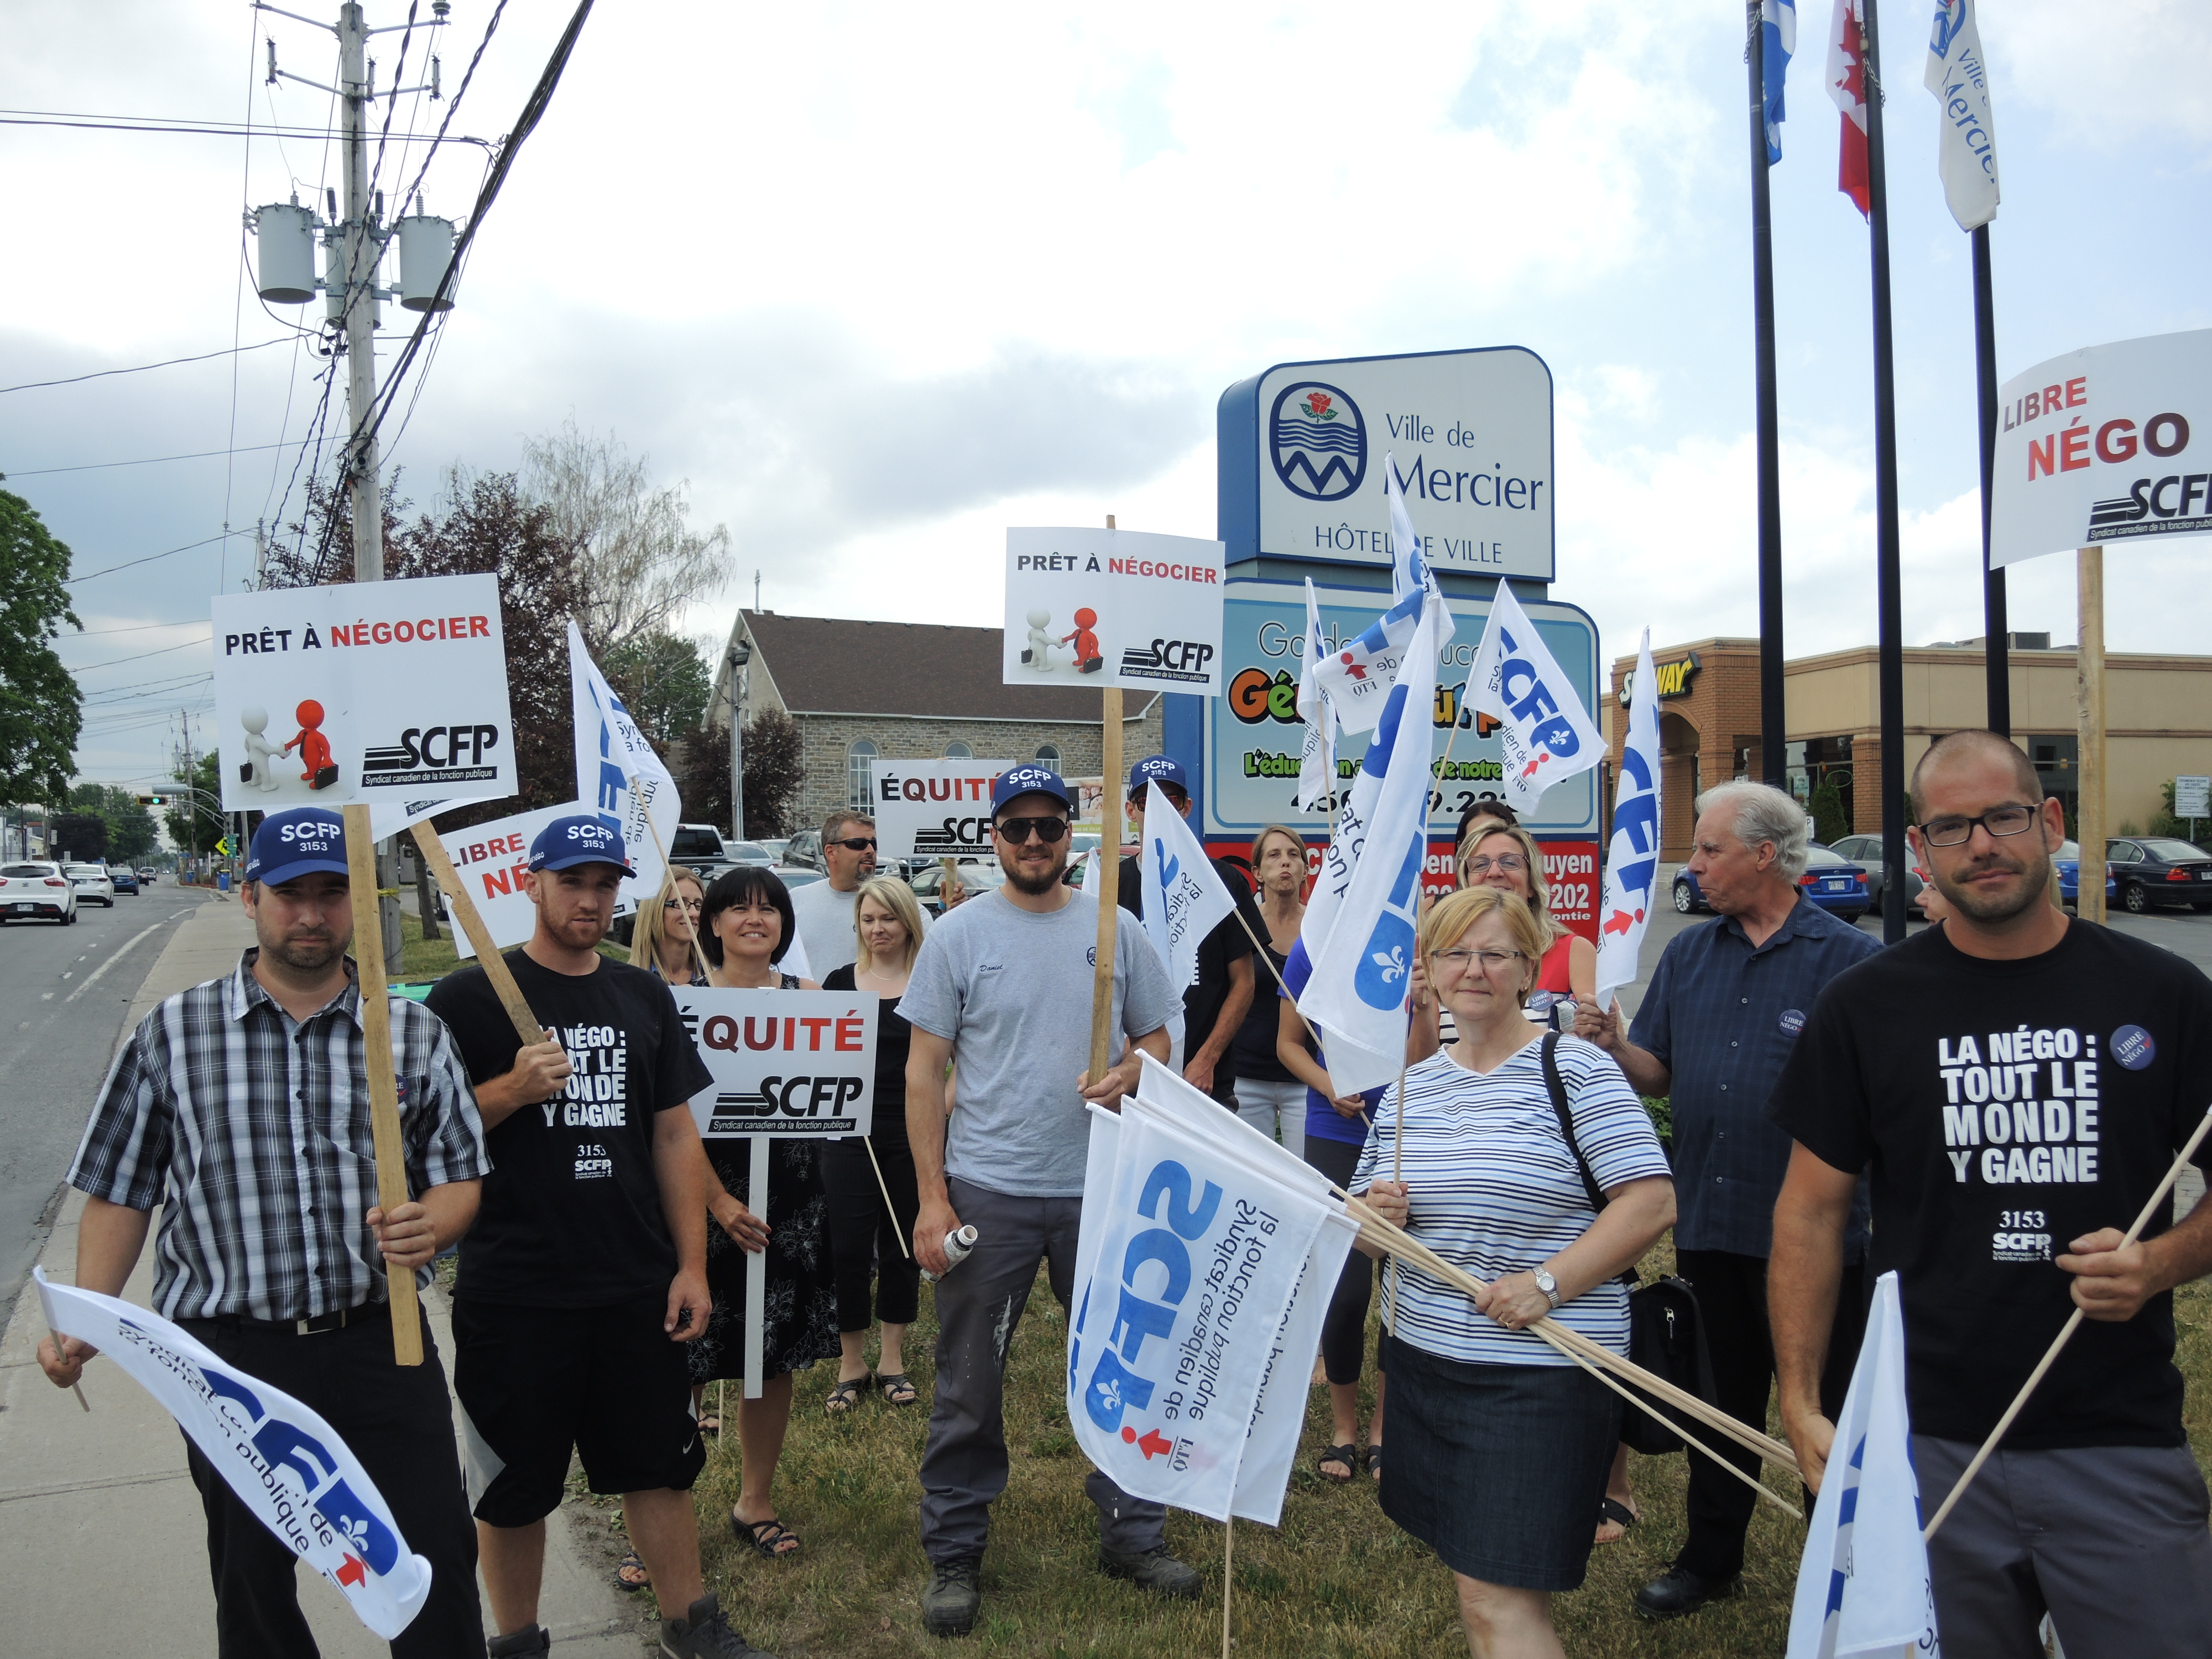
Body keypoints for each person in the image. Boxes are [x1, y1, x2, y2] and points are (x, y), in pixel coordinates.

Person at [1768, 730, 2212, 1656]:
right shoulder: (1867, 1007)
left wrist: (2158, 1263)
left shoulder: (2164, 994)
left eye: (2004, 817)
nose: (1983, 844)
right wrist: (1805, 1402)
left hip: (2114, 1434)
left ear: (2050, 823)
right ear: (1923, 850)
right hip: (1922, 1437)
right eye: (1952, 826)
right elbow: (1810, 1212)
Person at [39, 808, 491, 1659]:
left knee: (429, 1559)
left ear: (356, 903)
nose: (312, 914)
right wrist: (85, 1317)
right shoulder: (174, 1035)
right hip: (230, 1363)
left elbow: (462, 1176)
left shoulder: (410, 1032)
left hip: (381, 1343)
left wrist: (432, 1223)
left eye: (330, 894)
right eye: (290, 895)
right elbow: (119, 1190)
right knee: (252, 1578)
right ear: (247, 896)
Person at [424, 814, 769, 1659]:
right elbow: (421, 1135)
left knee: (657, 1466)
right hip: (515, 1287)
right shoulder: (467, 997)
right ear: (531, 883)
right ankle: (516, 1642)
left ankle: (694, 1628)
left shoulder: (640, 995)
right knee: (512, 1489)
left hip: (632, 1282)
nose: (589, 899)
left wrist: (692, 1264)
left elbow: (675, 1137)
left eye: (604, 884)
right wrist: (508, 1089)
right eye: (572, 881)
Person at [1572, 779, 1879, 1619]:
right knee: (1717, 1405)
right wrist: (1614, 1048)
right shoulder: (1691, 955)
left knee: (1830, 1409)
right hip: (1711, 1224)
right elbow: (1659, 1072)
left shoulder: (1850, 965)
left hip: (1822, 1242)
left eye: (1710, 849)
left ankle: (1841, 1575)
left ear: (1766, 855)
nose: (1695, 865)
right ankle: (1711, 1561)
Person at [899, 764, 1187, 1637]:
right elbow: (922, 1072)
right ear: (994, 837)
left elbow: (1160, 1039)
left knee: (1123, 1369)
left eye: (1049, 827)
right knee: (969, 1381)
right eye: (1017, 828)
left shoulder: (1118, 928)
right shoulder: (958, 935)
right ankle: (955, 1551)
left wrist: (1139, 1070)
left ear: (1072, 836)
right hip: (992, 1189)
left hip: (1103, 1188)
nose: (1033, 842)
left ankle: (1133, 1533)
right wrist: (931, 1199)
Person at [1355, 884, 1674, 1657]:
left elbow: (1651, 1202)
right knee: (1478, 1584)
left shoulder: (1576, 1071)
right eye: (1454, 953)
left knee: (1495, 1598)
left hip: (1540, 1378)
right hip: (1427, 1368)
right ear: (1428, 967)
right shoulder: (1410, 1088)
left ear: (1529, 967)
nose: (1474, 970)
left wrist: (1549, 1284)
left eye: (1494, 953)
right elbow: (1363, 1232)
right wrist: (1376, 1217)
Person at [688, 865, 841, 1557]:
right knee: (682, 1352)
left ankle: (755, 1499)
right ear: (712, 922)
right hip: (695, 1194)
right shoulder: (677, 1004)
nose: (757, 919)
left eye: (770, 909)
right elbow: (663, 1123)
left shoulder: (812, 999)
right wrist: (715, 1201)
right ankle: (662, 1508)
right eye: (739, 908)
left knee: (769, 1352)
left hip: (789, 1198)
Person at [818, 875, 926, 1412]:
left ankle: (892, 1359)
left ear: (908, 921)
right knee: (848, 1250)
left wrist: (940, 1107)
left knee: (903, 1246)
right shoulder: (838, 983)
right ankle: (850, 1361)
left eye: (887, 917)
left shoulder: (931, 980)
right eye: (868, 919)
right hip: (847, 1136)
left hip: (910, 1133)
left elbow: (961, 1058)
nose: (878, 928)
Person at [1115, 755, 1265, 1115]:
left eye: (1171, 801)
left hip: (1205, 1080)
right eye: (1146, 801)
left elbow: (1244, 982)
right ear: (1130, 811)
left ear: (1186, 808)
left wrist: (1207, 1058)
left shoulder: (1223, 882)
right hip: (1129, 1080)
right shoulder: (1109, 886)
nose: (1160, 811)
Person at [1230, 824, 1310, 1157]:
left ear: (1305, 869)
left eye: (1294, 855)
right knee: (1251, 1179)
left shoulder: (1323, 927)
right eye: (1274, 855)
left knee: (1311, 1183)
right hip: (1246, 1079)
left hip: (1307, 1081)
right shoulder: (1239, 925)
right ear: (1257, 872)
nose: (1285, 862)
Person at [786, 808, 927, 978]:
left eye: (873, 844)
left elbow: (931, 965)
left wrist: (950, 911)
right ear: (831, 852)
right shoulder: (796, 902)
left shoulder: (906, 908)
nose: (870, 851)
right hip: (811, 1003)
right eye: (858, 844)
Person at [633, 864, 709, 984]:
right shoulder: (629, 982)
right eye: (680, 904)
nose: (694, 913)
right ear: (655, 910)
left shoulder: (716, 977)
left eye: (698, 905)